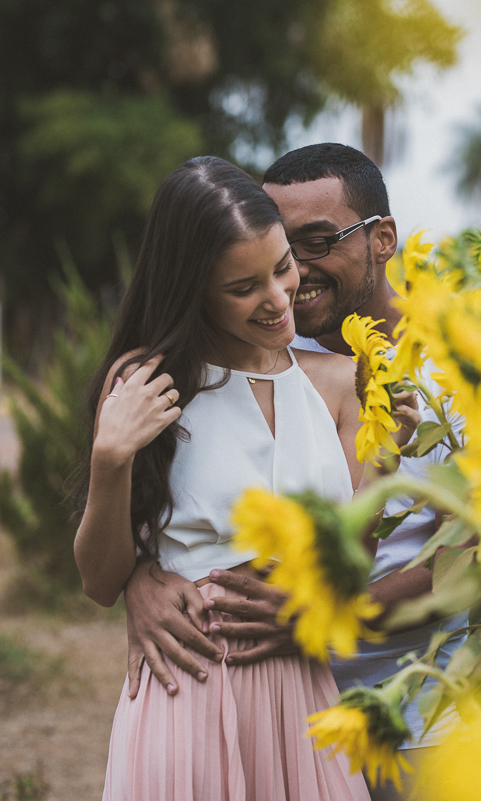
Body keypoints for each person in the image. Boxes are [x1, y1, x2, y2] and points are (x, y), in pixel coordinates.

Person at [120, 144, 467, 800]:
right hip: (286, 707)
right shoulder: (269, 351)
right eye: (282, 248)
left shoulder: (463, 364)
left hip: (417, 712)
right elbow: (196, 499)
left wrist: (327, 612)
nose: (294, 276)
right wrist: (145, 575)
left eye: (316, 243)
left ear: (382, 238)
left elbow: (476, 552)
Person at [76, 156, 373, 800]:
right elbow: (99, 580)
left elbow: (358, 557)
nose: (277, 297)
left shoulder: (339, 383)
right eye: (244, 287)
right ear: (194, 289)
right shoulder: (149, 381)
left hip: (305, 694)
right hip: (193, 687)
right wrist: (110, 461)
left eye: (282, 266)